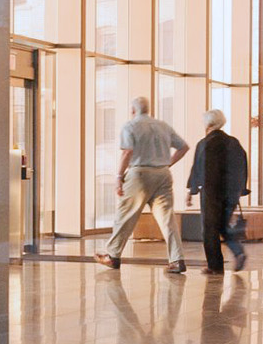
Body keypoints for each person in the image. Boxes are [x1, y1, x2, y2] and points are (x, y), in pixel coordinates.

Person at [98, 96, 189, 273]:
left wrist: (118, 176)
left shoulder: (130, 126)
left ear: (133, 111)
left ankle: (113, 255)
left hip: (139, 174)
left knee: (126, 214)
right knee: (167, 219)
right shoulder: (163, 126)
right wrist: (167, 163)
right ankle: (177, 260)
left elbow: (127, 152)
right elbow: (183, 147)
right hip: (163, 174)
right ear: (148, 110)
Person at [185, 109, 250, 274]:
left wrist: (191, 191)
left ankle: (215, 265)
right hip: (231, 192)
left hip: (211, 192)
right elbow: (242, 164)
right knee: (223, 225)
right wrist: (240, 189)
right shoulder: (233, 142)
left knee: (209, 228)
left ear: (208, 124)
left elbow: (198, 168)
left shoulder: (205, 143)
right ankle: (238, 252)